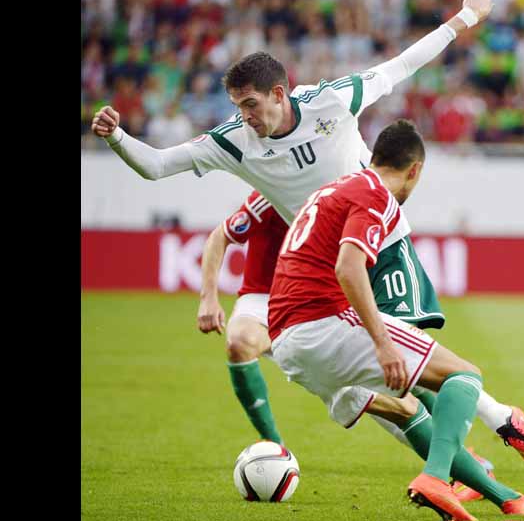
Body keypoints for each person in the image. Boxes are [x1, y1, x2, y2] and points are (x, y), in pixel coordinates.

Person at [92, 0, 524, 472]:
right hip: (329, 270)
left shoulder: (332, 100)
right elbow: (159, 165)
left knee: (411, 359)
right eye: (237, 105)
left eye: (250, 104)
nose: (244, 116)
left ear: (278, 94)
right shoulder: (233, 141)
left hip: (382, 243)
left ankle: (489, 432)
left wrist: (465, 18)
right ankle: (464, 461)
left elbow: (402, 65)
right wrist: (118, 136)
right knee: (388, 377)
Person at [267, 119, 524, 519]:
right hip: (320, 324)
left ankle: (505, 498)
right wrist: (383, 343)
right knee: (465, 377)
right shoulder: (376, 194)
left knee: (410, 406)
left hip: (286, 344)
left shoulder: (335, 188)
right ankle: (436, 477)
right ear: (415, 169)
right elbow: (348, 268)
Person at [199, 188, 505, 504]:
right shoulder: (272, 191)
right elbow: (220, 235)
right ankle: (273, 443)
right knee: (239, 341)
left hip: (317, 309)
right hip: (262, 300)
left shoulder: (344, 197)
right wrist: (208, 297)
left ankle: (468, 466)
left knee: (396, 400)